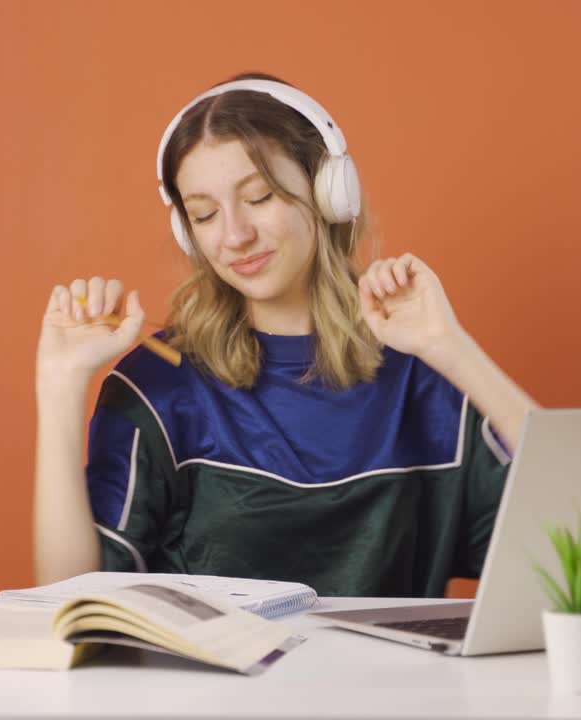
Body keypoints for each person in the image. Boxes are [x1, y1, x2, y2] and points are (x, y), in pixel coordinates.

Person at [34, 73, 538, 597]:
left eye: (260, 197)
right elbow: (68, 603)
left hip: (390, 682)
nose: (234, 235)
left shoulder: (427, 373)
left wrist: (451, 348)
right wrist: (60, 386)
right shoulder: (158, 386)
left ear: (329, 192)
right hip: (212, 681)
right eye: (205, 214)